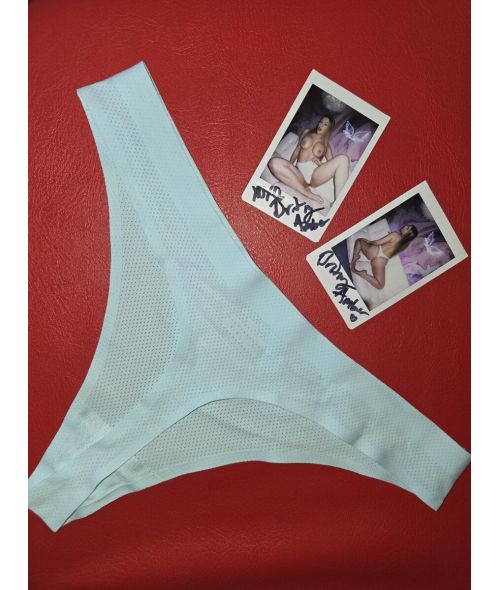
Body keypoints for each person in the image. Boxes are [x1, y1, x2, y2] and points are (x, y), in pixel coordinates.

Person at [267, 115, 349, 207]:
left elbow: (331, 165)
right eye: (321, 122)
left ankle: (338, 202)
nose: (321, 125)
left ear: (328, 129)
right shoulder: (307, 132)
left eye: (325, 124)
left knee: (343, 159)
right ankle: (307, 193)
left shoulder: (326, 145)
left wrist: (320, 164)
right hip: (299, 174)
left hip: (314, 175)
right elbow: (297, 150)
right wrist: (289, 165)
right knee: (273, 163)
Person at [351, 224, 418, 290]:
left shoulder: (395, 235)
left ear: (407, 235)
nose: (405, 226)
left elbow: (377, 242)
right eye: (407, 226)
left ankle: (355, 255)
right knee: (380, 285)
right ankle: (364, 275)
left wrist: (369, 242)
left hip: (375, 251)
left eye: (407, 228)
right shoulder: (404, 246)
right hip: (381, 260)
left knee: (359, 240)